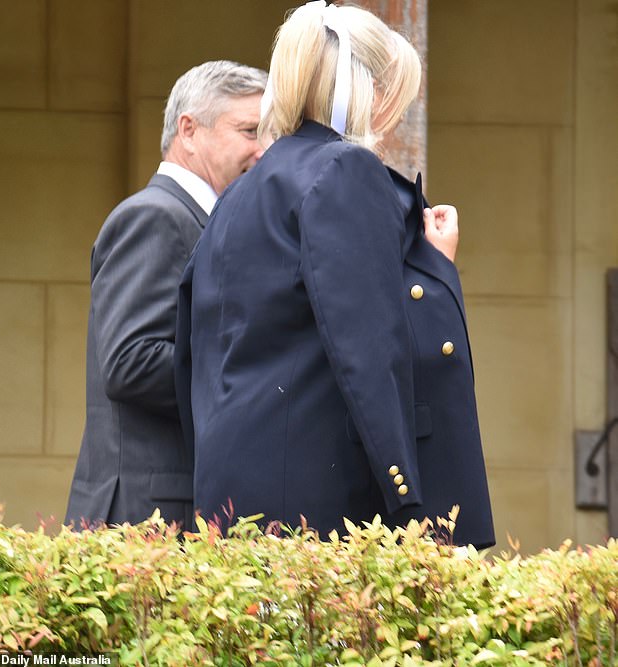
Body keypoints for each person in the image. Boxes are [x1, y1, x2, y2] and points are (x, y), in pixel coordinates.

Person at [176, 3, 495, 548]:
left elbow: (194, 357)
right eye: (393, 93)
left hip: (229, 503)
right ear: (365, 87)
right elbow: (369, 345)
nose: (394, 113)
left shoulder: (240, 194)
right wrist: (409, 501)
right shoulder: (345, 170)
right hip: (323, 506)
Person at [65, 61, 267, 529]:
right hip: (145, 519)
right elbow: (129, 363)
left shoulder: (199, 222)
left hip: (165, 516)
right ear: (189, 130)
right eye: (250, 131)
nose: (263, 150)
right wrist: (251, 378)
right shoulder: (156, 216)